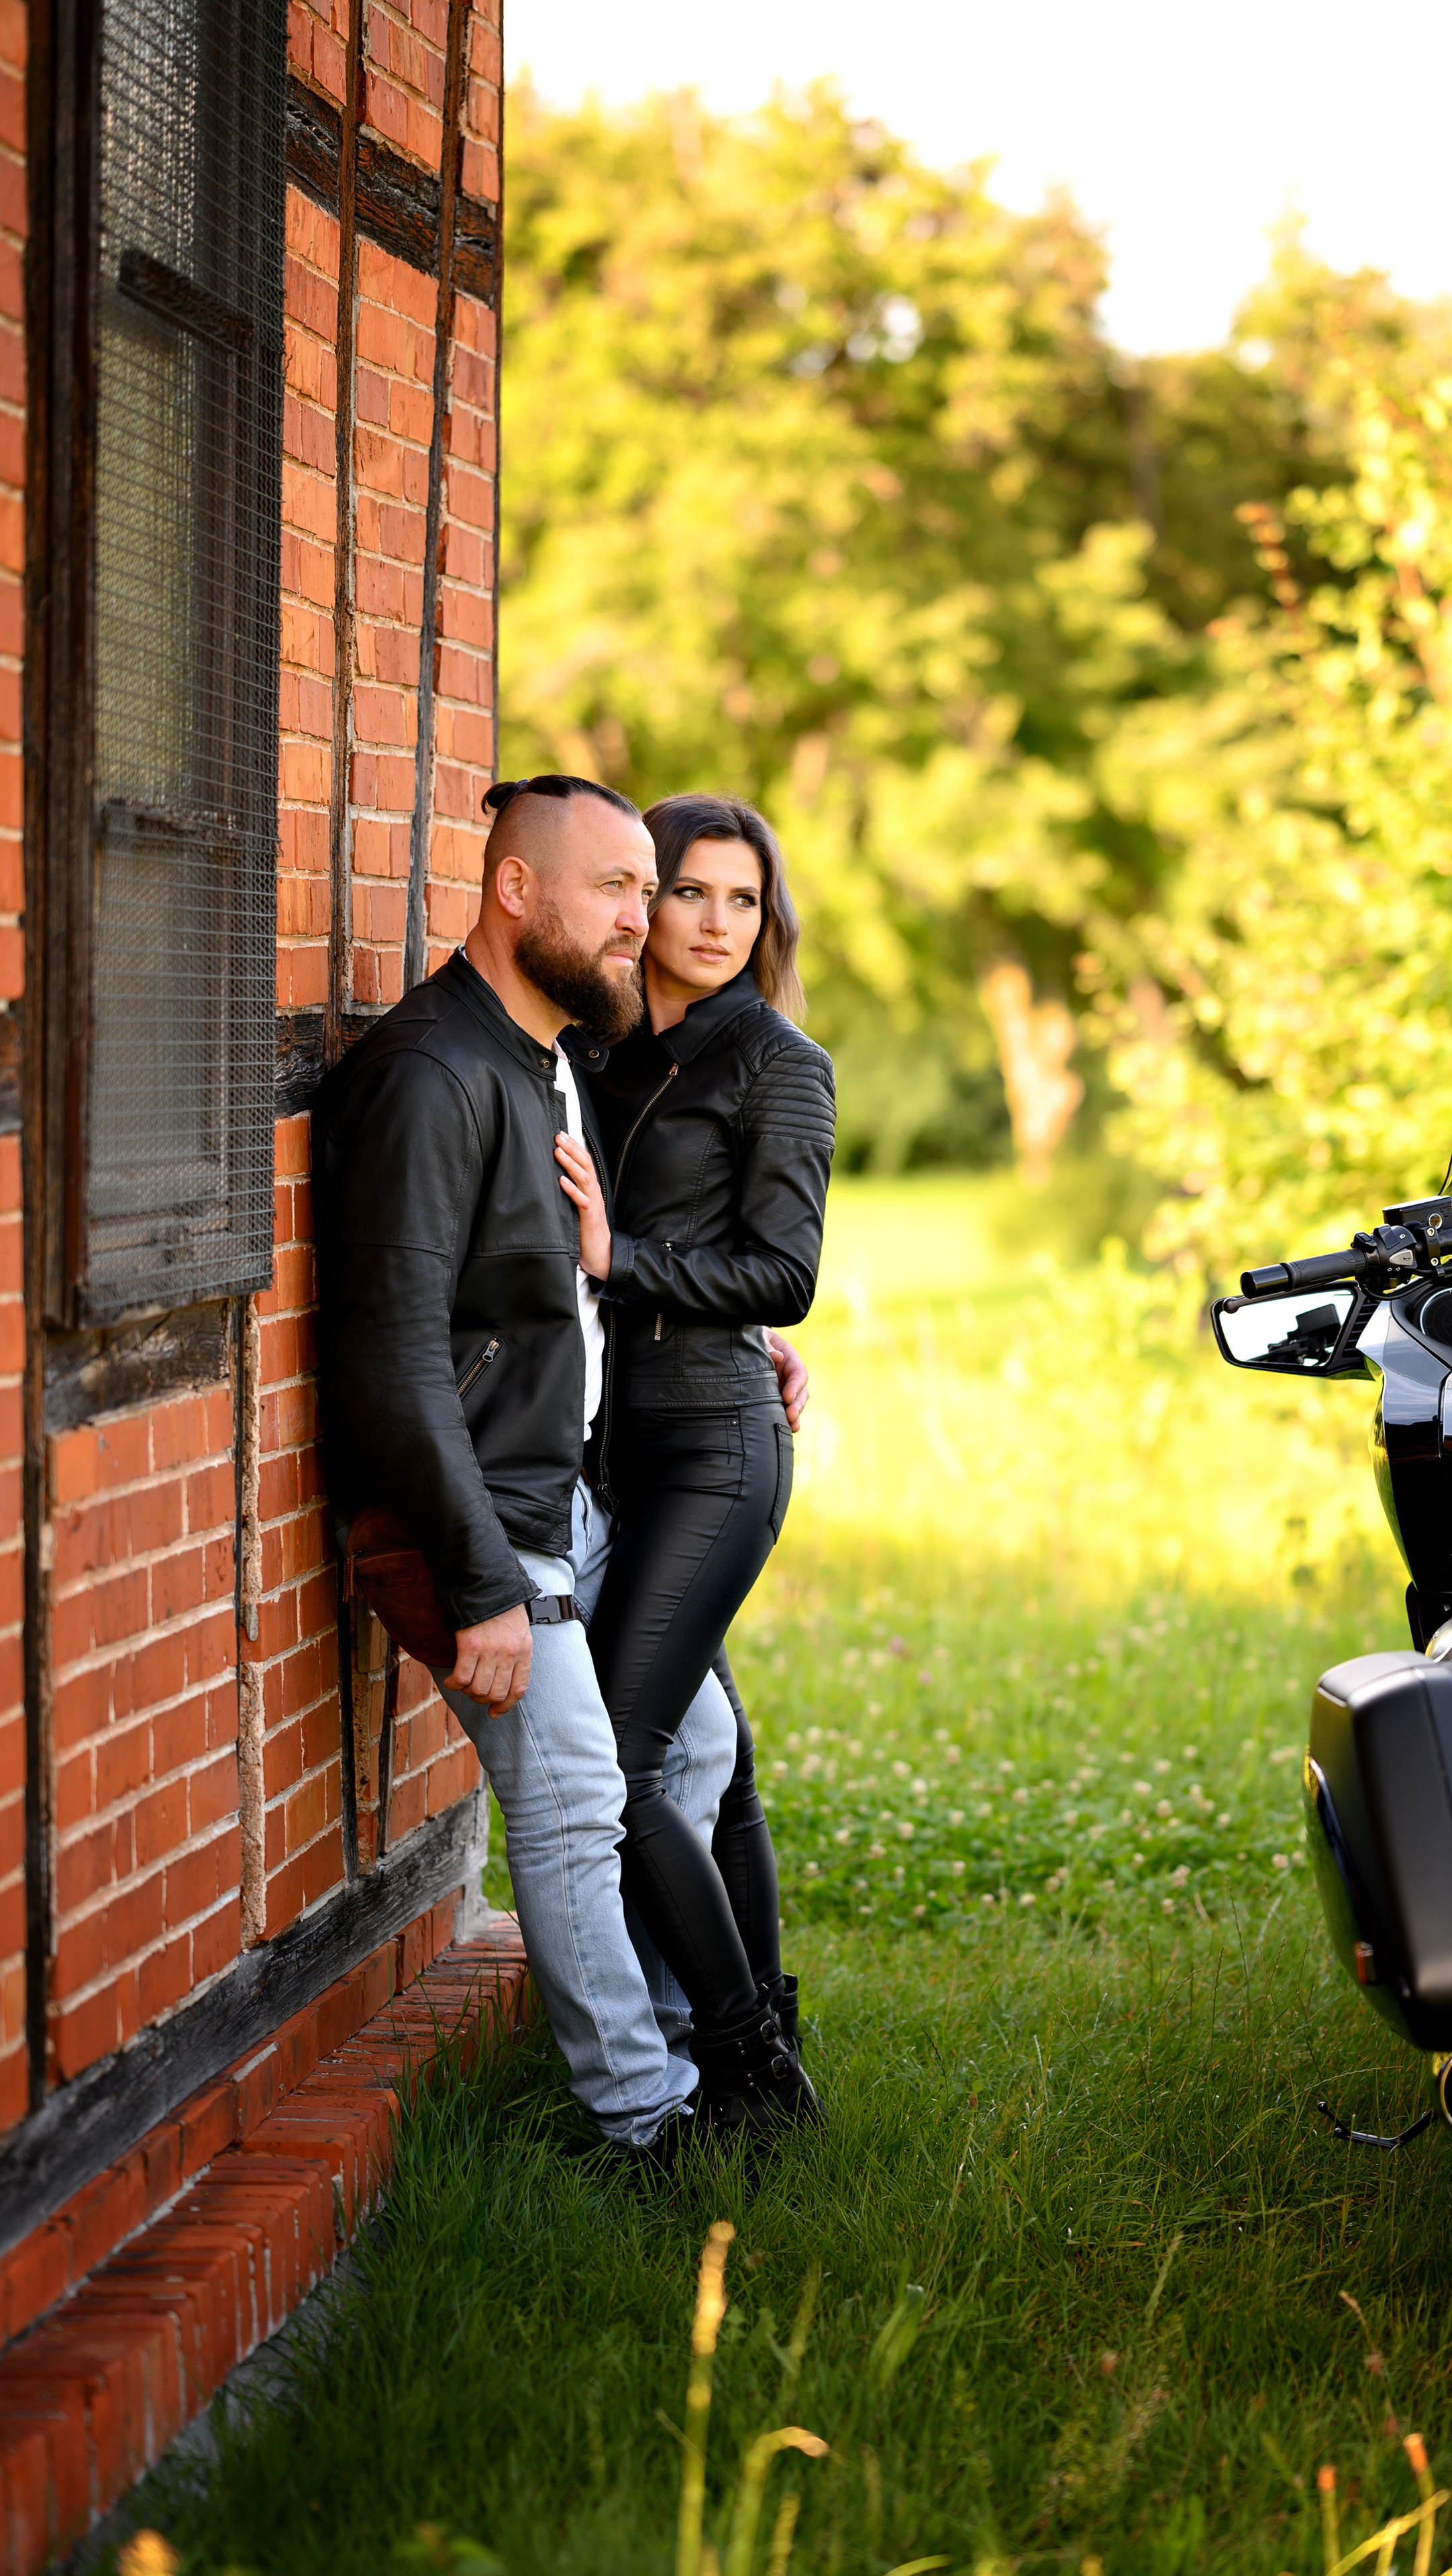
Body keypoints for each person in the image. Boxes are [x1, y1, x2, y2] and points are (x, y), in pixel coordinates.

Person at [312, 773, 810, 2166]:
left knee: (699, 1745)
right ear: (514, 889)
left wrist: (753, 1334)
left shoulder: (553, 1059)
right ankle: (641, 2119)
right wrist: (480, 1583)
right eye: (616, 891)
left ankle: (682, 2046)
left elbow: (571, 1285)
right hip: (483, 1514)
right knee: (582, 1797)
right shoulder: (432, 1075)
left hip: (569, 1490)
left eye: (647, 892)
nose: (640, 922)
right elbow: (391, 1360)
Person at [553, 793, 834, 2137]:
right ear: (641, 897)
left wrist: (625, 1259)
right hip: (613, 1444)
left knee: (619, 1762)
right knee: (717, 1759)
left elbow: (786, 1273)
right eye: (689, 892)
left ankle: (751, 2073)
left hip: (716, 1448)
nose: (717, 923)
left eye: (743, 899)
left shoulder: (776, 1061)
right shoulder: (589, 1048)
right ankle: (764, 2023)